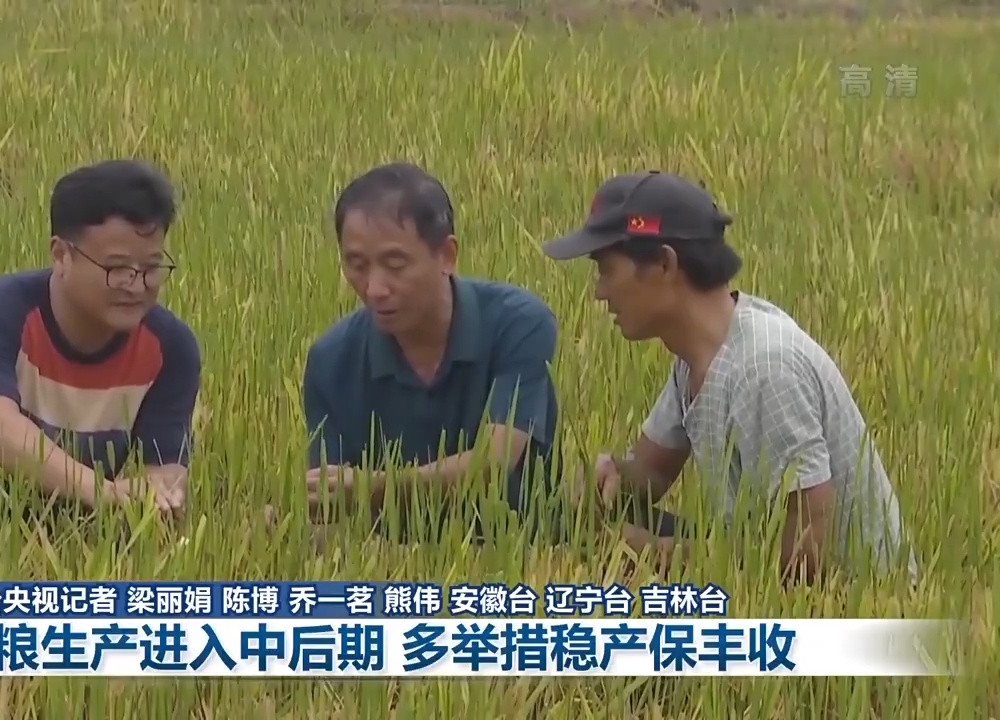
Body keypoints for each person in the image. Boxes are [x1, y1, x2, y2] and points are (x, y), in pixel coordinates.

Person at [542, 170, 917, 584]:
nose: (599, 292)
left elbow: (808, 553)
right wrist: (610, 475)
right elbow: (653, 472)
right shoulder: (696, 355)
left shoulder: (764, 368)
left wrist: (658, 555)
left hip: (846, 597)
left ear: (665, 263)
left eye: (607, 269)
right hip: (755, 561)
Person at [0, 159, 200, 530]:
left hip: (65, 523)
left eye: (152, 267)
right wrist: (105, 493)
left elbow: (167, 467)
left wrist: (159, 498)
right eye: (117, 269)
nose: (137, 285)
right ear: (61, 256)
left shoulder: (171, 348)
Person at [302, 162, 564, 545]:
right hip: (389, 559)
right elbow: (329, 504)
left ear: (446, 255)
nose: (374, 289)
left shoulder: (519, 323)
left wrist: (373, 487)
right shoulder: (331, 359)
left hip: (518, 550)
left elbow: (494, 461)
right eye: (356, 265)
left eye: (395, 265)